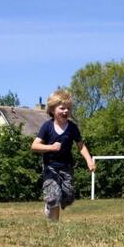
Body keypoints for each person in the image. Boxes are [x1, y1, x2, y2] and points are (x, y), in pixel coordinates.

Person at [31, 89, 95, 221]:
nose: (66, 111)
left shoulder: (72, 128)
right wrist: (50, 147)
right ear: (52, 110)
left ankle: (53, 204)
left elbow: (81, 145)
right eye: (62, 108)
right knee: (53, 196)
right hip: (50, 167)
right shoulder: (47, 127)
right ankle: (54, 222)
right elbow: (34, 145)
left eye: (68, 108)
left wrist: (89, 160)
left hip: (67, 167)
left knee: (68, 197)